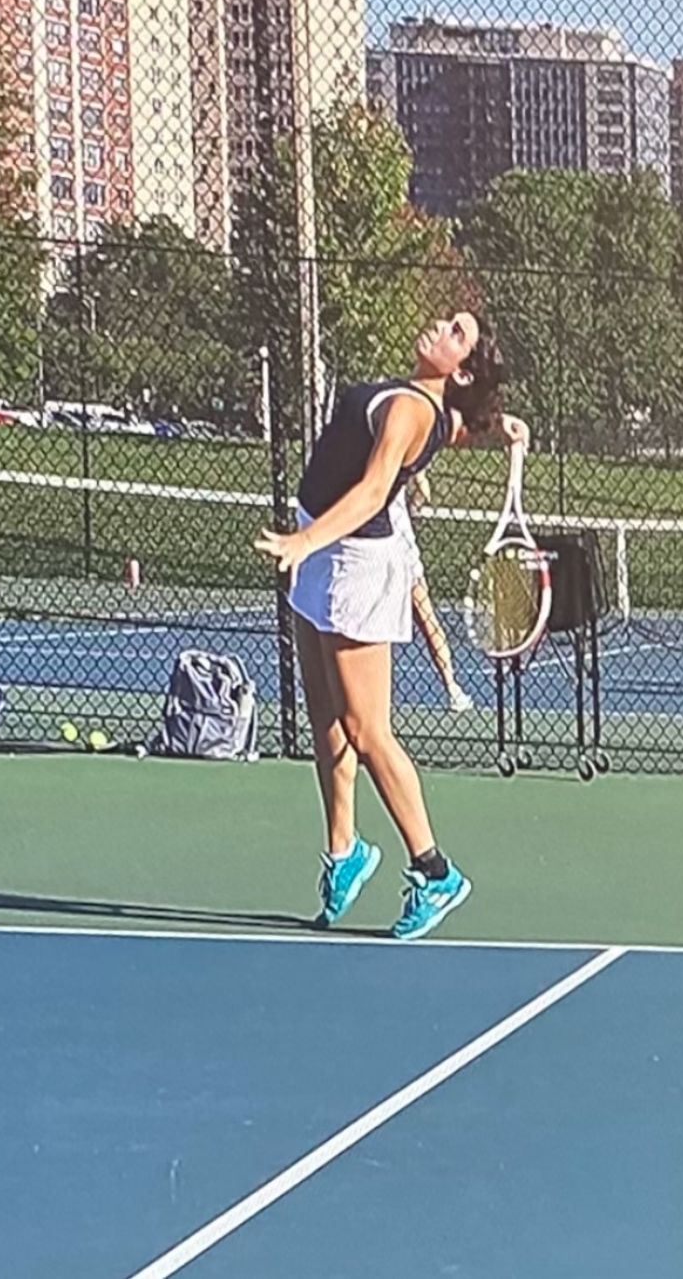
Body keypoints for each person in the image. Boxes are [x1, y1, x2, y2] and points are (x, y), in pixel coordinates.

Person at [256, 311, 528, 941]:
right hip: (324, 553)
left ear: (458, 369)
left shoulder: (411, 412)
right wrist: (493, 425)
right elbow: (454, 429)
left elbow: (376, 489)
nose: (439, 325)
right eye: (449, 320)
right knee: (325, 717)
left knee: (367, 730)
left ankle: (435, 871)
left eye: (455, 332)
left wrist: (306, 540)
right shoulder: (430, 409)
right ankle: (345, 850)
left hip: (351, 559)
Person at [390, 472, 473, 712]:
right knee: (428, 622)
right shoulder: (404, 452)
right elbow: (423, 491)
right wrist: (409, 509)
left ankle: (452, 689)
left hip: (382, 550)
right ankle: (452, 689)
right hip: (400, 552)